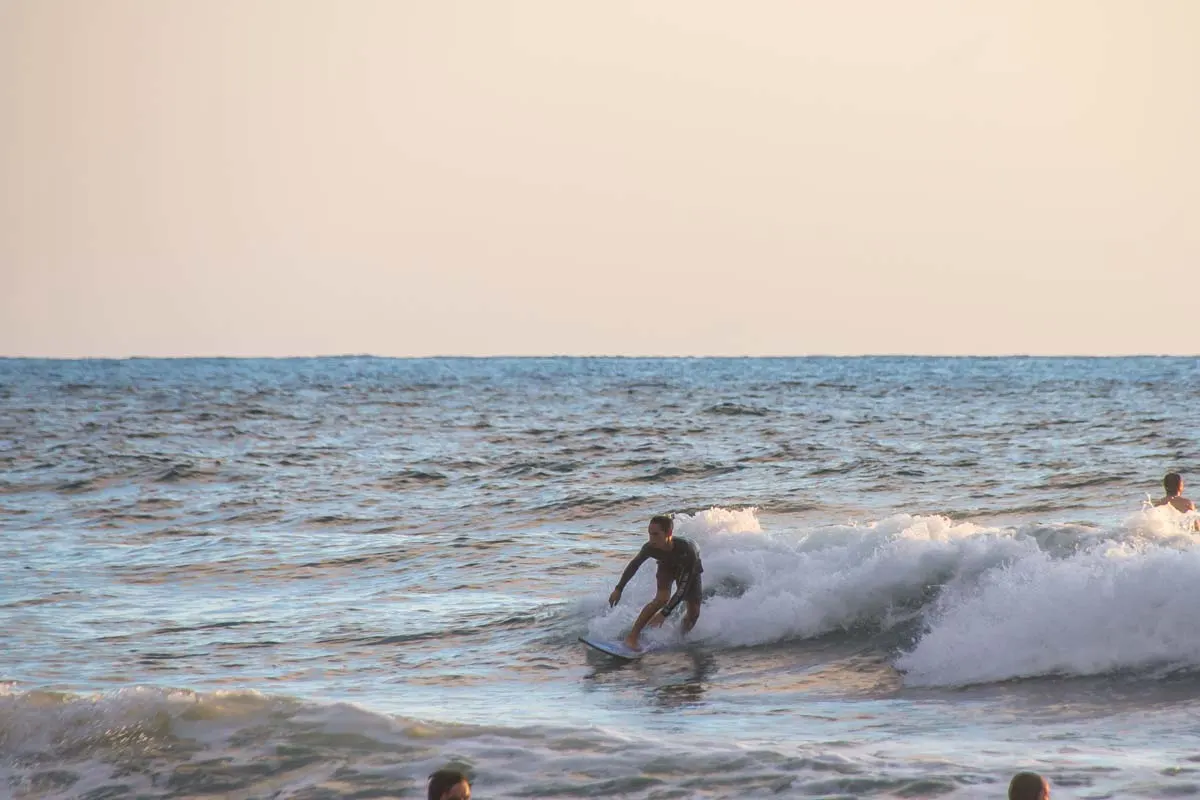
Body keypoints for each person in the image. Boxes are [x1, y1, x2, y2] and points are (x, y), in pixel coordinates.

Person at [608, 514, 703, 651]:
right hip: (666, 565)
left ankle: (679, 638)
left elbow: (684, 587)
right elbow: (634, 565)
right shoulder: (650, 548)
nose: (651, 539)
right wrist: (619, 589)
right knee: (661, 599)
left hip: (689, 567)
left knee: (694, 613)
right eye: (649, 534)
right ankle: (632, 637)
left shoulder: (688, 551)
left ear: (669, 533)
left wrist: (665, 613)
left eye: (656, 534)